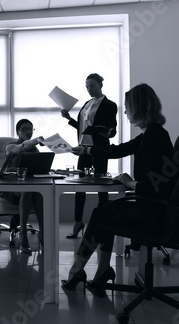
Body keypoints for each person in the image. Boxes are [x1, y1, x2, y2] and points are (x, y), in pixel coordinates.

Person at [61, 83, 178, 293]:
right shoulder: (152, 133)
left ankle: (77, 270)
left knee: (101, 213)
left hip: (154, 211)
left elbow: (154, 185)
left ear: (138, 107)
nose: (124, 111)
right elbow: (120, 149)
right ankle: (100, 271)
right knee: (105, 214)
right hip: (159, 207)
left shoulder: (153, 136)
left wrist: (129, 182)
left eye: (127, 107)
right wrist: (87, 150)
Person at [61, 73, 117, 239]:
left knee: (101, 186)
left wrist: (106, 133)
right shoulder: (87, 104)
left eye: (92, 86)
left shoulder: (110, 105)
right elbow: (83, 127)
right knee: (80, 187)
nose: (89, 89)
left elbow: (112, 130)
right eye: (87, 87)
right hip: (84, 148)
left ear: (100, 85)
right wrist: (69, 119)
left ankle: (102, 223)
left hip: (99, 149)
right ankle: (78, 223)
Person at [4, 119, 44, 254]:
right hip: (13, 187)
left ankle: (43, 232)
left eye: (30, 129)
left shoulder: (35, 149)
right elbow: (22, 147)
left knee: (38, 192)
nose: (28, 132)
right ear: (17, 132)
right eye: (24, 129)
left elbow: (38, 168)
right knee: (29, 191)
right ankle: (23, 234)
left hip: (30, 186)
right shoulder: (10, 146)